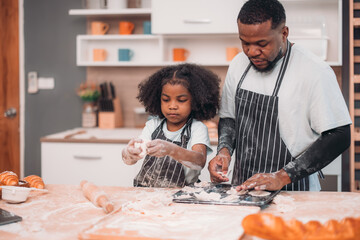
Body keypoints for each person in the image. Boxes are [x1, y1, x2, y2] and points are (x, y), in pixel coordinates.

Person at [208, 0, 351, 191]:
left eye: (262, 44)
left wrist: (282, 177)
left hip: (295, 190)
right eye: (245, 43)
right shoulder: (238, 64)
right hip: (243, 187)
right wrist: (224, 152)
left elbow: (339, 135)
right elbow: (229, 118)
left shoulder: (314, 71)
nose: (252, 52)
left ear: (284, 33)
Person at [122, 63, 220, 188]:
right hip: (147, 193)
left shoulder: (197, 128)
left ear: (196, 101)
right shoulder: (153, 125)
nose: (172, 106)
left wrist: (171, 149)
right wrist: (129, 153)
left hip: (182, 195)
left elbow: (199, 161)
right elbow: (129, 160)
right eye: (166, 99)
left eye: (181, 100)